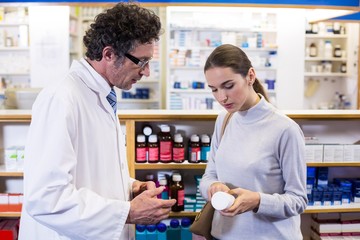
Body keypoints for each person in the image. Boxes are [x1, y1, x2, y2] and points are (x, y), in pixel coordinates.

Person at [18, 3, 176, 240]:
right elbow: (46, 198)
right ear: (109, 54)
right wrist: (128, 212)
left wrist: (131, 187)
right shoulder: (61, 98)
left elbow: (93, 172)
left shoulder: (102, 95)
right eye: (141, 62)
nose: (146, 72)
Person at [199, 44, 307, 240]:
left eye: (229, 86)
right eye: (214, 89)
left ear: (250, 76)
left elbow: (298, 201)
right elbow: (210, 175)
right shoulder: (224, 120)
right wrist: (213, 187)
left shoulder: (285, 129)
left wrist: (257, 201)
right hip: (222, 236)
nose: (222, 97)